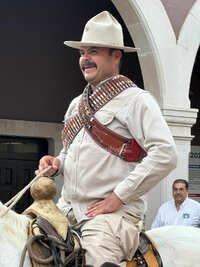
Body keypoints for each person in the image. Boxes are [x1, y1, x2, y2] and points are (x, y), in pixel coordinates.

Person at [36, 11, 177, 267]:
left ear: (116, 57)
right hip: (66, 210)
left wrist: (119, 196)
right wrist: (57, 163)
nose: (85, 59)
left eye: (94, 51)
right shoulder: (76, 105)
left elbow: (165, 154)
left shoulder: (137, 100)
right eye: (82, 52)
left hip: (111, 218)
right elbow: (71, 152)